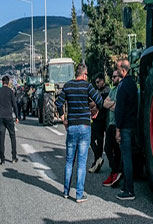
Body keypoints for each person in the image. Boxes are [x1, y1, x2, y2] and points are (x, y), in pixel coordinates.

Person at [55, 63, 103, 203]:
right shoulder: (87, 86)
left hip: (71, 127)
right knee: (81, 163)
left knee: (69, 161)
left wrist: (63, 119)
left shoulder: (67, 86)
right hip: (84, 127)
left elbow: (58, 103)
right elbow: (99, 100)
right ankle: (79, 194)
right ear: (84, 74)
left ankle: (65, 191)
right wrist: (96, 110)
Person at [115, 59, 138, 200]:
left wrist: (118, 129)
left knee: (126, 158)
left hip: (124, 127)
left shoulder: (122, 86)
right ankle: (126, 186)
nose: (116, 71)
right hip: (133, 124)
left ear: (123, 70)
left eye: (118, 69)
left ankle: (129, 190)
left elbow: (120, 109)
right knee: (128, 157)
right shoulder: (133, 84)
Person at [102, 69, 123, 187]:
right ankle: (115, 171)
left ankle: (116, 172)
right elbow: (105, 104)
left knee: (114, 149)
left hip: (116, 124)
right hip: (111, 124)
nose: (112, 79)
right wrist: (112, 104)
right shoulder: (112, 90)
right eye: (112, 76)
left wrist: (112, 104)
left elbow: (118, 106)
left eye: (114, 77)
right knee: (109, 148)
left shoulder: (121, 90)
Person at [0, 76, 19, 165]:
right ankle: (14, 157)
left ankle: (2, 159)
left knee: (2, 138)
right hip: (9, 117)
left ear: (2, 82)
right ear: (8, 83)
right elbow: (14, 105)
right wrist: (17, 116)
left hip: (1, 117)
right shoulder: (10, 92)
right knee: (12, 137)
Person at [88, 72, 109, 174]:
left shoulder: (107, 91)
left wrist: (95, 105)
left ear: (102, 81)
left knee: (99, 141)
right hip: (97, 119)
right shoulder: (97, 91)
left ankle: (97, 160)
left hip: (102, 119)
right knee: (93, 139)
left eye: (98, 82)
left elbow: (103, 103)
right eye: (95, 83)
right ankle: (98, 159)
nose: (97, 84)